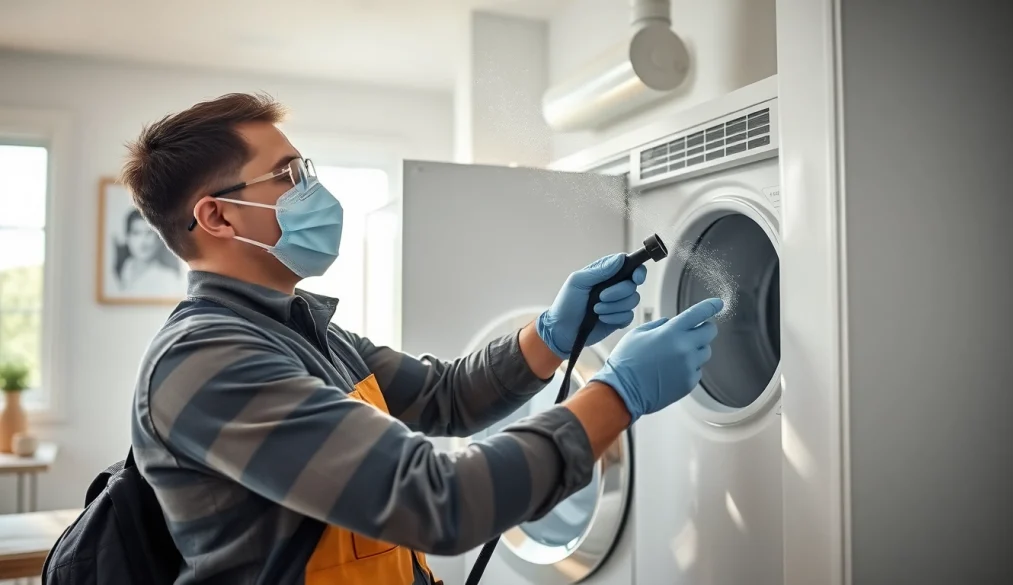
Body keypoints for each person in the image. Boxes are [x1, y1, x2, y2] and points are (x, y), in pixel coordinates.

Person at [121, 92, 723, 585]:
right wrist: (619, 395)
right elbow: (441, 500)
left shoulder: (302, 330)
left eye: (307, 170)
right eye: (288, 175)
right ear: (218, 218)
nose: (312, 190)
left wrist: (553, 335)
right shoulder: (206, 361)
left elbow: (444, 396)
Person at [115, 208, 182, 294]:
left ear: (159, 239)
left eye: (149, 233)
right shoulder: (119, 271)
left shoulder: (169, 278)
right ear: (127, 237)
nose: (143, 241)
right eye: (136, 233)